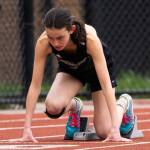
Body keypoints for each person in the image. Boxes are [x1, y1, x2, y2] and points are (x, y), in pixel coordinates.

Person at [22, 7, 135, 142]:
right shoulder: (43, 43)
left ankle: (124, 103)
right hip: (72, 70)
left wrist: (115, 129)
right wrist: (27, 127)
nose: (55, 43)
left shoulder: (90, 40)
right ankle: (76, 107)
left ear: (71, 30)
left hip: (97, 73)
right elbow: (35, 86)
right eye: (51, 37)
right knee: (52, 107)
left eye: (60, 37)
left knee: (104, 131)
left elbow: (105, 83)